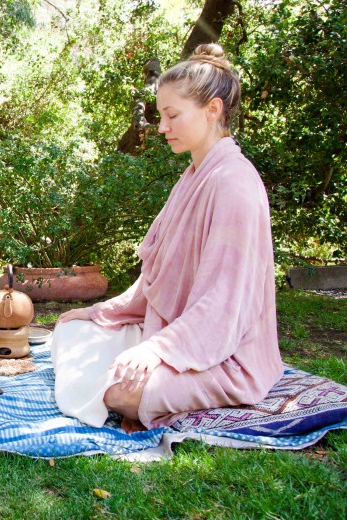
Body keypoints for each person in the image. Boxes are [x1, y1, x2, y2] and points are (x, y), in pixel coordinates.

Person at [51, 44, 284, 431]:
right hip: (171, 331)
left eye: (172, 115)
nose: (162, 127)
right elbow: (155, 279)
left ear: (213, 110)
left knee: (119, 395)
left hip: (222, 353)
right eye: (161, 116)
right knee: (71, 329)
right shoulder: (192, 176)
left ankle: (155, 382)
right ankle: (137, 362)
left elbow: (222, 306)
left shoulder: (235, 184)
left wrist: (158, 350)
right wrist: (98, 313)